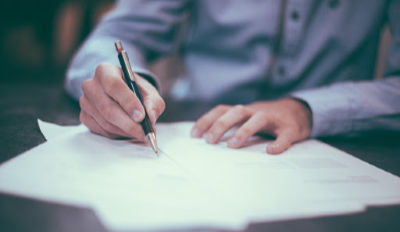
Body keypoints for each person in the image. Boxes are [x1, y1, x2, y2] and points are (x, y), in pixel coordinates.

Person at [65, 0, 400, 154]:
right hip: (197, 130)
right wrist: (123, 84)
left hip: (340, 143)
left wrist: (307, 109)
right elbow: (117, 34)